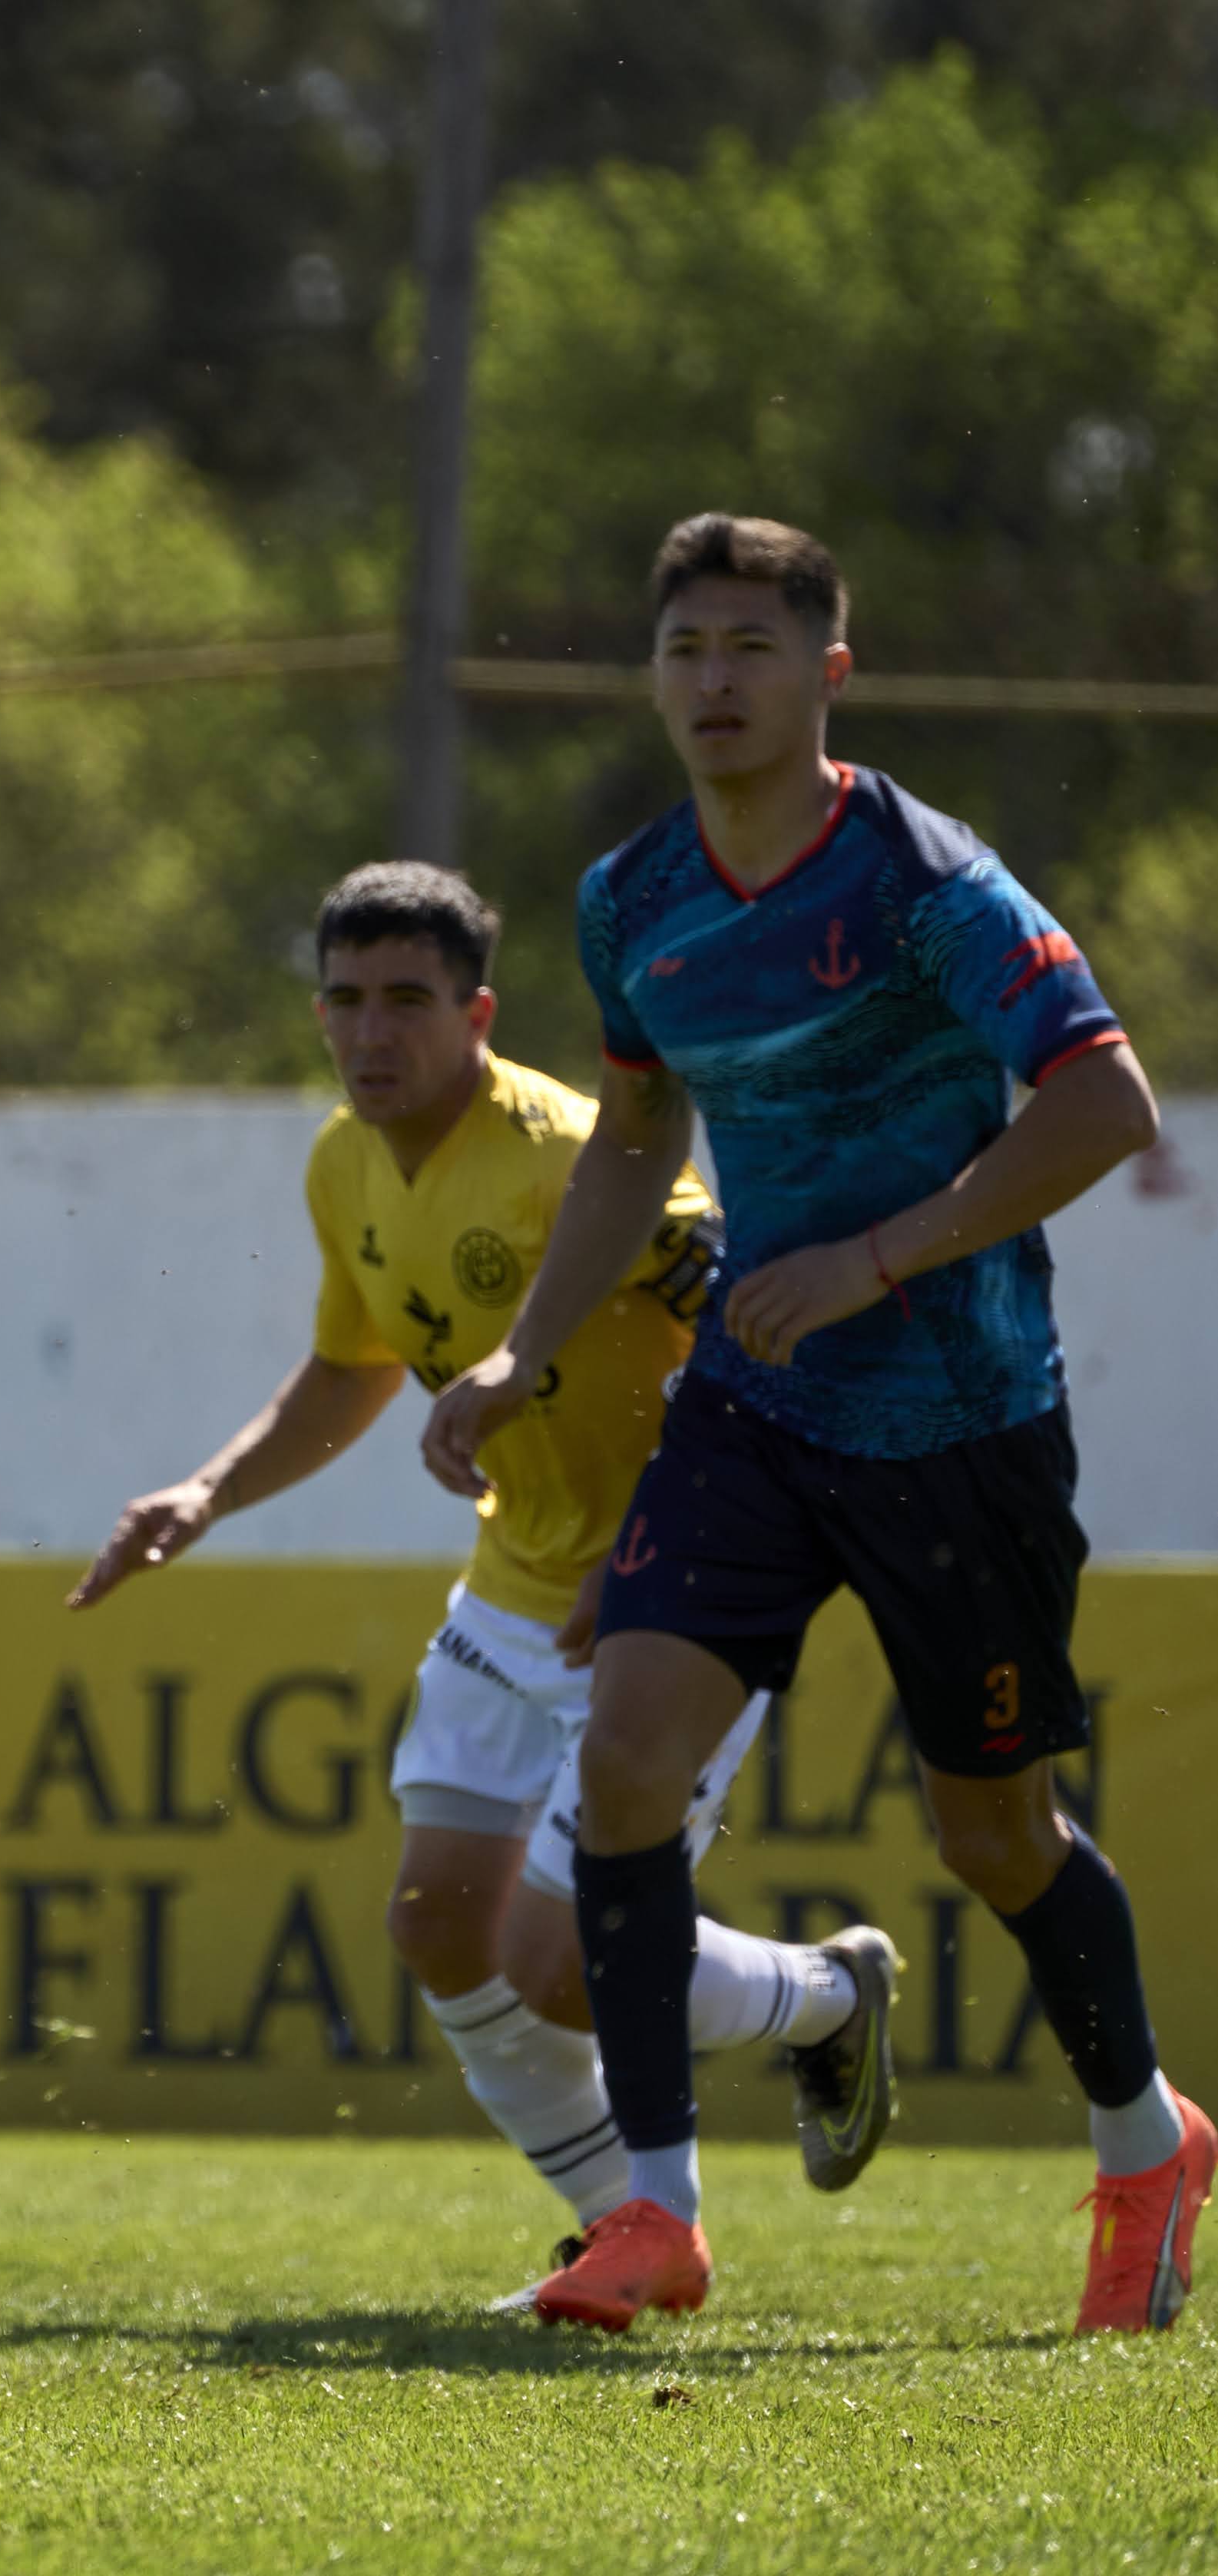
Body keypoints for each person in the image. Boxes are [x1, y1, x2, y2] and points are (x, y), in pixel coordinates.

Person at [425, 513, 1199, 2335]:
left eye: (753, 650)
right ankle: (656, 2219)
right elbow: (633, 1140)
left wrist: (882, 1253)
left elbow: (1109, 1102)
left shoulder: (926, 880)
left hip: (960, 1417)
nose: (715, 682)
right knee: (620, 1765)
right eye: (685, 647)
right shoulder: (634, 902)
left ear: (827, 672)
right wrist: (522, 1355)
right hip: (756, 1411)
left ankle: (1144, 2140)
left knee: (994, 1837)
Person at [73, 861, 892, 2262]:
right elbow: (351, 1371)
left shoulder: (582, 1154)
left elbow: (762, 1352)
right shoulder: (343, 1159)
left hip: (668, 1602)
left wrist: (656, 1548)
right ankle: (603, 2227)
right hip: (510, 1588)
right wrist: (206, 1490)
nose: (370, 1032)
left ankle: (825, 1996)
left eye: (407, 1000)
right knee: (439, 1925)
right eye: (344, 1000)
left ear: (478, 1012)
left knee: (557, 1960)